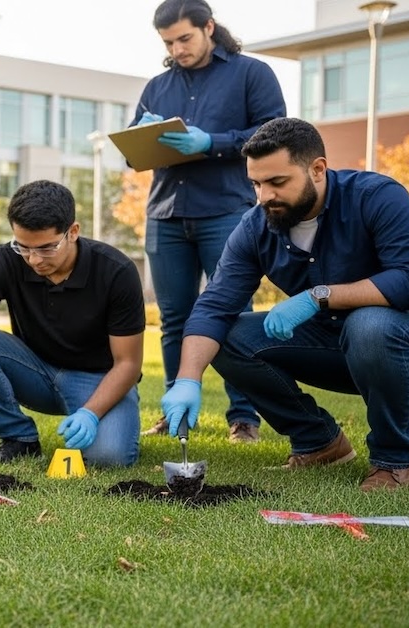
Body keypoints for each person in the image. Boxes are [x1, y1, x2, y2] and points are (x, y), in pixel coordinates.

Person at [161, 117, 409, 491]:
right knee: (227, 336)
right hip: (333, 344)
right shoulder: (257, 226)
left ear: (317, 169)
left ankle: (393, 460)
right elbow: (214, 308)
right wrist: (187, 379)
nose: (263, 196)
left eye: (277, 182)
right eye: (256, 183)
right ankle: (320, 442)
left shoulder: (376, 196)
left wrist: (320, 296)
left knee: (370, 324)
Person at [134, 0, 285, 444]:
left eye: (184, 38)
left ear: (209, 27)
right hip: (166, 215)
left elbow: (274, 134)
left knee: (233, 316)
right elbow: (132, 154)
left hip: (228, 213)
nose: (177, 49)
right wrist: (141, 136)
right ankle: (175, 412)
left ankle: (244, 419)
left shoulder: (251, 74)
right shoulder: (157, 86)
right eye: (168, 42)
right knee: (175, 320)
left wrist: (211, 143)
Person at [0, 181, 143, 467]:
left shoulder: (116, 271)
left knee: (108, 458)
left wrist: (91, 413)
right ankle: (19, 438)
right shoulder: (4, 260)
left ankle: (98, 421)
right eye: (23, 247)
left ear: (73, 232)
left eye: (47, 248)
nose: (34, 259)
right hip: (35, 371)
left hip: (98, 379)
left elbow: (128, 364)